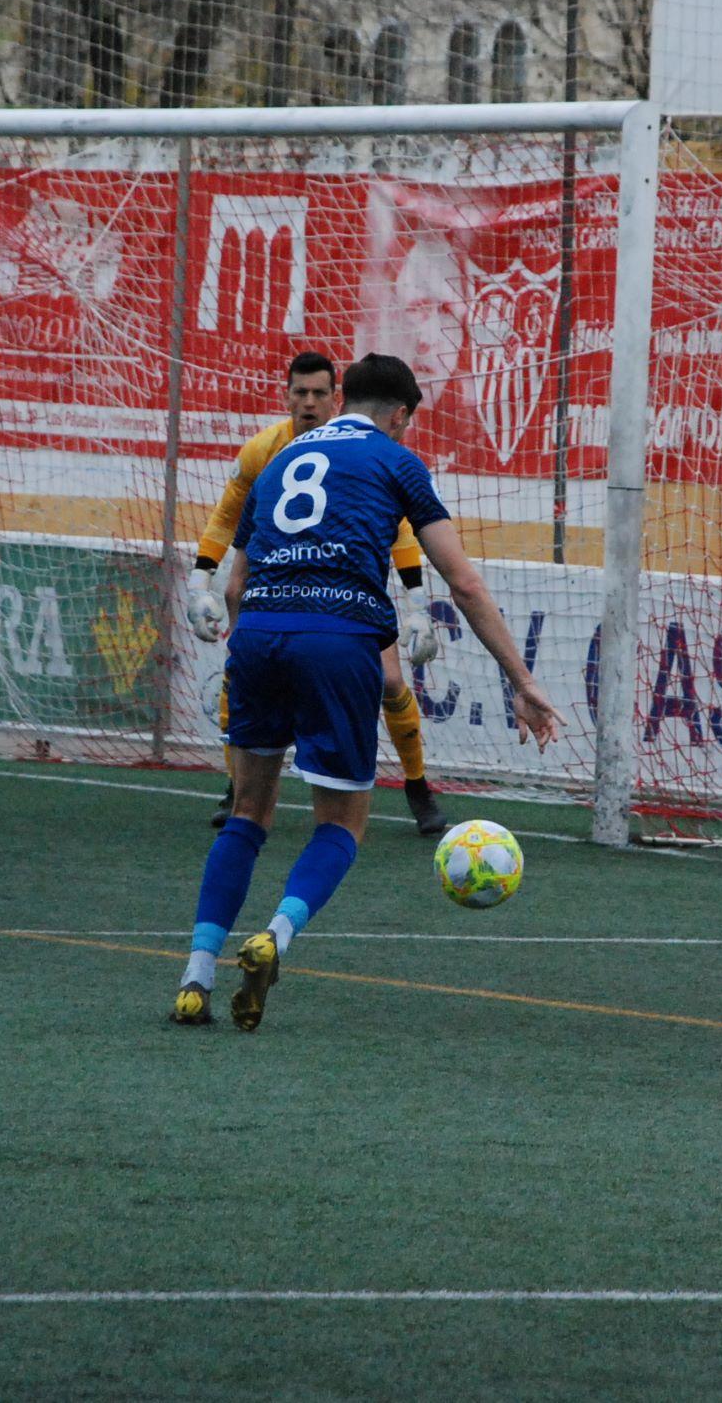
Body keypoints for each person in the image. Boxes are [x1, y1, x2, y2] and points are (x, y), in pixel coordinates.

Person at [172, 353, 557, 1032]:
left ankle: (194, 976)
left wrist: (254, 633)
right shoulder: (397, 460)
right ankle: (274, 937)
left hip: (258, 633)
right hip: (337, 639)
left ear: (342, 396)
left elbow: (234, 586)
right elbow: (463, 583)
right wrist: (520, 681)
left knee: (247, 813)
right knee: (341, 822)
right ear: (401, 415)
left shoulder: (279, 456)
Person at [187, 351, 451, 837]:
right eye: (300, 392)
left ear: (338, 399)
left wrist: (416, 602)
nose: (309, 402)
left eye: (319, 393)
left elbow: (400, 530)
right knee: (238, 661)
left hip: (346, 592)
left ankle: (417, 786)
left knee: (392, 683)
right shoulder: (265, 451)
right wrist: (198, 580)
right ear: (286, 396)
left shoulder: (366, 453)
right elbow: (229, 517)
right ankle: (237, 784)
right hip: (274, 588)